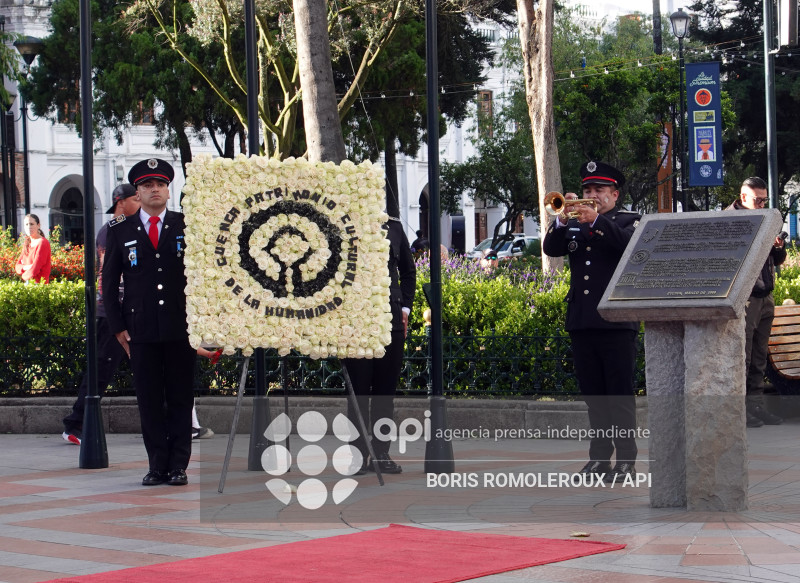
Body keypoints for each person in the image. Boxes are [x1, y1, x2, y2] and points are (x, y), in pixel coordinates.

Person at [542, 161, 641, 484]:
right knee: (594, 397)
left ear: (614, 193)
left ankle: (626, 460)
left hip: (616, 320)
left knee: (619, 396)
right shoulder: (572, 222)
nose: (592, 195)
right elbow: (551, 247)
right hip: (583, 319)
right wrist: (559, 218)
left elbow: (626, 246)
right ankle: (599, 459)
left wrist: (595, 219)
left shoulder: (630, 221)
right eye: (587, 191)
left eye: (599, 190)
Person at [103, 158, 197, 486]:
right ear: (137, 193)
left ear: (168, 190)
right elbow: (109, 282)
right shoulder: (121, 231)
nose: (154, 189)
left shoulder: (187, 226)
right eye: (146, 185)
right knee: (149, 400)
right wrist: (117, 327)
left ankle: (178, 465)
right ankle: (157, 463)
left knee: (181, 397)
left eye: (159, 184)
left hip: (180, 328)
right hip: (140, 330)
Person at [62, 184, 140, 445]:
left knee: (152, 367)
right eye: (135, 197)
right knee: (101, 371)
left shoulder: (130, 226)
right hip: (112, 314)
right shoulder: (112, 230)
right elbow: (110, 274)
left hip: (131, 310)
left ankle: (178, 423)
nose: (140, 201)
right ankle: (75, 424)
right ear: (121, 202)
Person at [343, 217, 416, 474]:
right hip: (356, 324)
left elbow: (408, 271)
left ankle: (381, 453)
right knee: (358, 395)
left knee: (385, 394)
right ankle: (357, 454)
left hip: (391, 320)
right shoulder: (342, 224)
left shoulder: (393, 227)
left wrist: (405, 307)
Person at [727, 177, 785, 428]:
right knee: (744, 356)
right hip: (745, 297)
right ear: (743, 198)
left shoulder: (766, 218)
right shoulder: (728, 220)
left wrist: (778, 246)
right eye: (757, 200)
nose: (762, 204)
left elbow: (778, 259)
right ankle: (739, 411)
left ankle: (756, 406)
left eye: (765, 200)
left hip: (765, 295)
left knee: (760, 356)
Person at [15, 214, 51, 283]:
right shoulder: (27, 243)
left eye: (31, 224)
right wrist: (26, 267)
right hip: (28, 284)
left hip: (39, 286)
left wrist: (23, 275)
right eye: (26, 224)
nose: (29, 227)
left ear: (38, 225)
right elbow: (17, 266)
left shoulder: (43, 243)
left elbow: (35, 268)